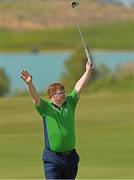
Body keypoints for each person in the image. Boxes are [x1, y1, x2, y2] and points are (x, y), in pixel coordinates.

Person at [20, 61, 93, 179]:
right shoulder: (45, 108)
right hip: (53, 159)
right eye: (61, 93)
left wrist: (88, 71)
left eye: (64, 91)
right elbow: (34, 97)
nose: (64, 94)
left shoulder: (70, 102)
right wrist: (29, 84)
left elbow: (79, 87)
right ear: (52, 95)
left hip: (70, 158)